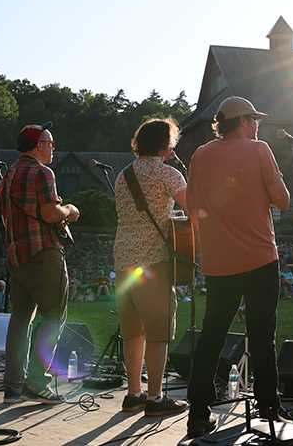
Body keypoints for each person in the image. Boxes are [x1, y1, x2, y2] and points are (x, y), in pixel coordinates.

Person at [185, 96, 290, 438]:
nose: (258, 124)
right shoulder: (260, 150)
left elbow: (193, 205)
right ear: (242, 121)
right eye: (254, 119)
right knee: (262, 335)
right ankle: (269, 409)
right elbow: (283, 201)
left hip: (218, 264)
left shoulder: (200, 155)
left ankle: (198, 414)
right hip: (260, 259)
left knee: (211, 336)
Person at [113, 118, 189, 417]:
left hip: (123, 260)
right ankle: (155, 399)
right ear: (164, 143)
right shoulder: (167, 174)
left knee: (132, 331)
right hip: (153, 262)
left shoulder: (123, 175)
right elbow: (193, 208)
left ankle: (133, 394)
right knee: (158, 332)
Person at [0, 123, 79, 404]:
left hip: (16, 257)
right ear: (38, 145)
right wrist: (70, 210)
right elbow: (49, 213)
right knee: (55, 316)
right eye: (51, 143)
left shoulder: (6, 176)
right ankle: (37, 380)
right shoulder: (43, 172)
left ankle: (12, 386)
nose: (53, 148)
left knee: (21, 318)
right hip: (43, 254)